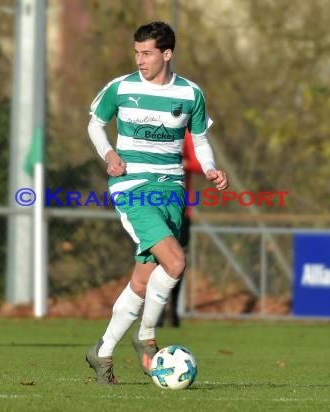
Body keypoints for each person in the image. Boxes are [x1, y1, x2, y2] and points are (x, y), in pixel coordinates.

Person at [85, 21, 228, 385]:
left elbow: (200, 140)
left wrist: (210, 168)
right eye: (136, 52)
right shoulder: (121, 87)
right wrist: (109, 155)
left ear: (167, 54)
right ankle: (146, 335)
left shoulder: (191, 93)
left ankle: (101, 353)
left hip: (172, 190)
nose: (140, 60)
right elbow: (95, 125)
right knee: (176, 262)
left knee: (144, 278)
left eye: (147, 53)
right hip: (133, 187)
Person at [158, 130, 203, 328]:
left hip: (181, 209)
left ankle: (173, 308)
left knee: (178, 260)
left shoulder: (185, 134)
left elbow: (199, 163)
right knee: (156, 258)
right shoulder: (149, 127)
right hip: (153, 206)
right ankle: (157, 309)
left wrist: (180, 163)